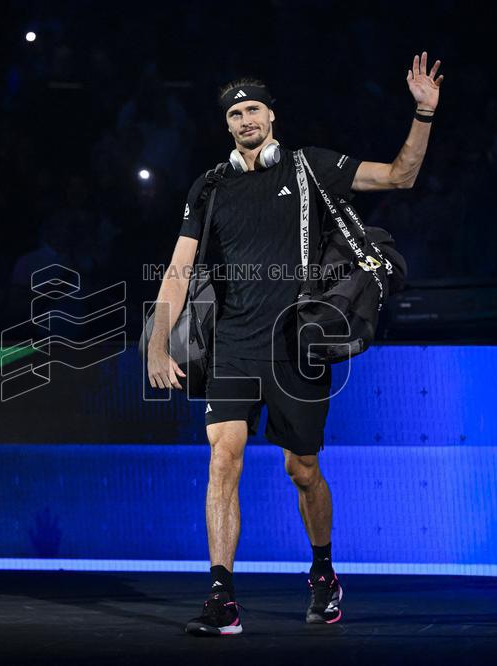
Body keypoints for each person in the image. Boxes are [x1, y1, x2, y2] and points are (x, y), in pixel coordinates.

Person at [146, 53, 443, 635]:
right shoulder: (209, 186)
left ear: (272, 116)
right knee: (222, 459)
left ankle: (324, 570)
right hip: (231, 346)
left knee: (302, 470)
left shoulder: (310, 168)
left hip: (296, 349)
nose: (245, 119)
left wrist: (424, 112)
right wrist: (159, 345)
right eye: (235, 113)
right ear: (227, 124)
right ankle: (221, 596)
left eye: (253, 108)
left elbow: (400, 176)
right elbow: (178, 271)